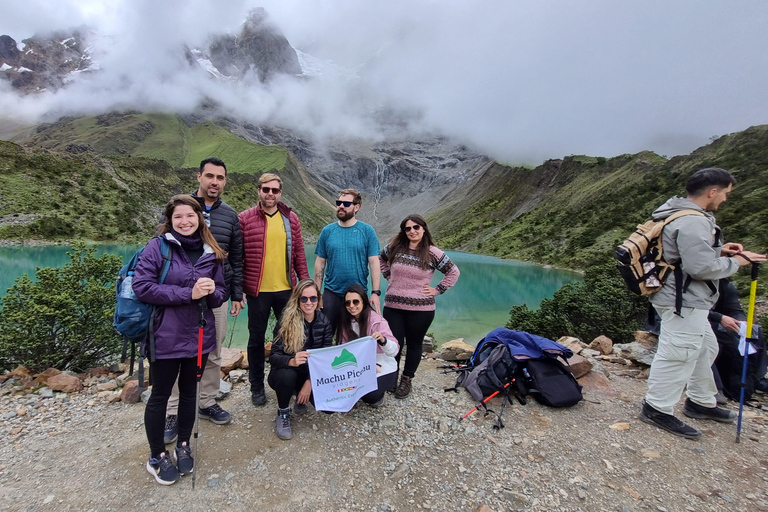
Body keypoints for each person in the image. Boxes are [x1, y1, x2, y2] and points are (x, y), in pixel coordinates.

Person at [640, 168, 766, 440]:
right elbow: (699, 268)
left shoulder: (677, 212)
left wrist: (720, 250)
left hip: (684, 298)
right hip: (682, 300)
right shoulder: (693, 221)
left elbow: (680, 254)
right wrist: (737, 262)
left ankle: (700, 401)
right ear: (713, 191)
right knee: (678, 353)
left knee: (706, 347)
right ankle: (656, 407)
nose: (725, 199)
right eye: (725, 193)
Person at [133, 194, 227, 485]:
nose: (185, 221)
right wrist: (189, 293)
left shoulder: (211, 250)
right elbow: (142, 286)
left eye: (190, 216)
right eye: (178, 217)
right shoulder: (158, 247)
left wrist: (212, 291)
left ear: (199, 218)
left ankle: (183, 444)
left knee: (189, 393)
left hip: (199, 335)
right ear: (170, 220)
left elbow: (220, 294)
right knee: (160, 395)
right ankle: (156, 456)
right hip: (165, 334)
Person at [164, 157, 244, 444]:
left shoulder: (230, 216)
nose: (214, 182)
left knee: (213, 349)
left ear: (225, 181)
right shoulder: (181, 210)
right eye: (209, 176)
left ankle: (207, 401)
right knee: (176, 351)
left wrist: (237, 294)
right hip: (180, 295)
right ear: (199, 176)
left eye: (220, 178)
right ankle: (173, 410)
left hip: (216, 294)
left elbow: (236, 257)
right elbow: (162, 247)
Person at [239, 172, 309, 407]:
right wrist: (237, 290)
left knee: (290, 337)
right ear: (259, 191)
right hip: (257, 291)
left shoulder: (291, 219)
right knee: (256, 339)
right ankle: (257, 386)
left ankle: (288, 381)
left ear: (280, 193)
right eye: (266, 189)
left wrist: (305, 285)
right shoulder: (245, 219)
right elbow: (238, 257)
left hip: (286, 290)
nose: (270, 194)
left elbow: (299, 255)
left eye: (275, 190)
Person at [380, 214, 460, 398]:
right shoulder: (394, 247)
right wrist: (388, 276)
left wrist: (438, 290)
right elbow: (380, 259)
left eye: (416, 227)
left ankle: (406, 379)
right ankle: (391, 376)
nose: (412, 231)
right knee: (394, 343)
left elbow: (453, 272)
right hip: (393, 306)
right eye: (407, 228)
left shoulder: (433, 252)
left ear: (424, 229)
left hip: (421, 310)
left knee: (415, 345)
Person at [267, 279, 333, 440]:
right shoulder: (286, 321)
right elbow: (273, 356)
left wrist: (310, 382)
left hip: (310, 374)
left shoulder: (324, 322)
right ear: (297, 300)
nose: (309, 303)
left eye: (313, 298)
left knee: (329, 408)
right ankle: (283, 412)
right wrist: (291, 361)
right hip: (285, 373)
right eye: (304, 298)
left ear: (318, 299)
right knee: (287, 375)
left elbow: (326, 358)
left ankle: (300, 395)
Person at [314, 189, 381, 332]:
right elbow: (320, 262)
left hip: (358, 293)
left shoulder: (367, 231)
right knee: (324, 332)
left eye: (346, 204)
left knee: (357, 335)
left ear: (356, 207)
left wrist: (375, 292)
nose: (341, 206)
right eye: (339, 203)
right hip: (331, 292)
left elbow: (374, 263)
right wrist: (317, 293)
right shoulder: (327, 231)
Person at [337, 284, 399, 408]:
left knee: (370, 396)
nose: (351, 306)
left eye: (356, 302)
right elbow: (344, 348)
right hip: (358, 365)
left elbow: (394, 351)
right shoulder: (345, 322)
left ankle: (378, 394)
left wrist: (383, 340)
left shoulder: (377, 321)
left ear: (364, 302)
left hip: (383, 365)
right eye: (347, 303)